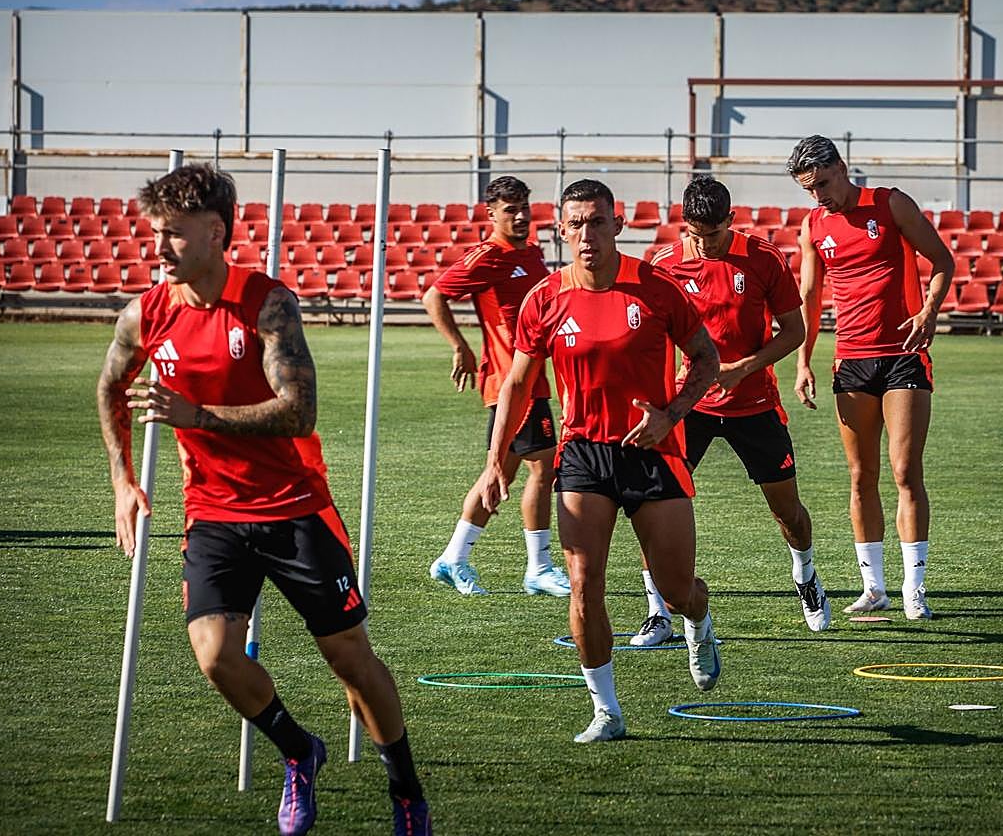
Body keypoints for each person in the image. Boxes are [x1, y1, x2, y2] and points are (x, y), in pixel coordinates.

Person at [96, 164, 431, 836]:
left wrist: (198, 415)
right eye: (154, 234)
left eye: (174, 235)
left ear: (216, 232)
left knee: (349, 659)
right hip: (214, 513)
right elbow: (110, 387)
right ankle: (299, 751)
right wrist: (122, 481)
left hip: (295, 505)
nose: (158, 248)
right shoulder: (145, 314)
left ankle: (405, 788)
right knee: (216, 656)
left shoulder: (267, 304)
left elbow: (298, 412)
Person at [479, 179, 722, 743]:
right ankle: (607, 711)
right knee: (585, 583)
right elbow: (517, 384)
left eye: (596, 222)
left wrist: (671, 413)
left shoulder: (656, 289)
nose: (586, 235)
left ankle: (698, 620)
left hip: (653, 451)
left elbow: (706, 360)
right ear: (561, 231)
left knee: (676, 587)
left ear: (616, 225)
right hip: (583, 457)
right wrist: (495, 462)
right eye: (575, 224)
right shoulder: (545, 298)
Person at [630, 175, 830, 646]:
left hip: (755, 402)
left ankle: (805, 574)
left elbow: (794, 331)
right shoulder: (662, 266)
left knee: (788, 513)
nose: (705, 245)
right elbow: (645, 340)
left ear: (731, 220)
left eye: (714, 234)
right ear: (684, 225)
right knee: (657, 507)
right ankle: (657, 613)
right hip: (688, 404)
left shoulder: (763, 258)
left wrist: (744, 368)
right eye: (696, 235)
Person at [787, 135, 954, 620]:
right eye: (808, 189)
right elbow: (810, 296)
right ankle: (874, 588)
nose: (818, 196)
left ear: (841, 167)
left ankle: (914, 588)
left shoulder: (890, 203)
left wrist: (929, 311)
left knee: (905, 472)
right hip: (851, 360)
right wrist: (803, 361)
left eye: (822, 183)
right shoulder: (814, 225)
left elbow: (942, 261)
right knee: (861, 477)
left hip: (902, 354)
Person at [422, 176, 570, 597]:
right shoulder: (488, 257)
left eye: (525, 207)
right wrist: (460, 347)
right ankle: (538, 568)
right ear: (491, 214)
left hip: (531, 380)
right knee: (543, 465)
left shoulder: (532, 253)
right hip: (511, 383)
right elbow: (433, 297)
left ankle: (454, 557)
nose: (521, 216)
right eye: (511, 210)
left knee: (499, 474)